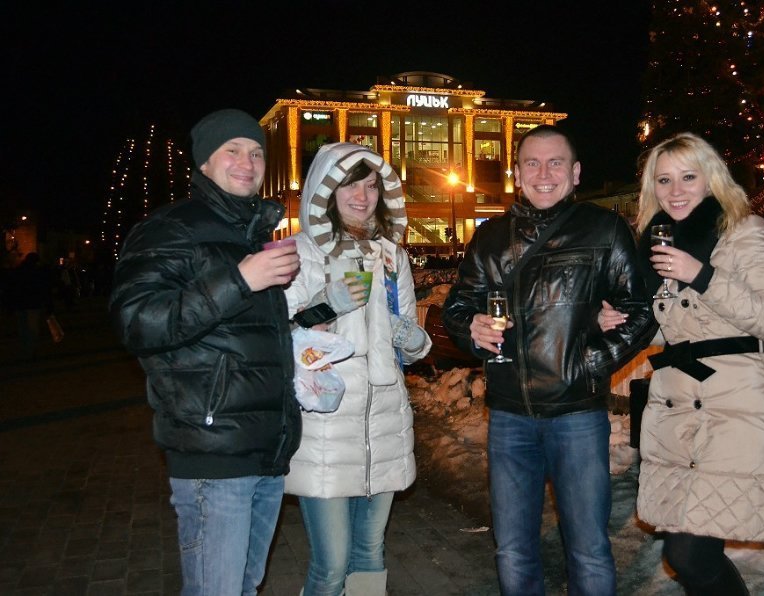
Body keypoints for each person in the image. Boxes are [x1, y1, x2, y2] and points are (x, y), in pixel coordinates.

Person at [441, 124, 656, 595]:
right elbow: (457, 306)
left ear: (575, 173)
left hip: (576, 415)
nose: (543, 174)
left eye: (555, 163)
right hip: (508, 416)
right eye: (532, 164)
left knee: (588, 548)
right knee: (512, 549)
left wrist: (588, 363)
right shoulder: (489, 237)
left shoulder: (604, 229)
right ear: (517, 174)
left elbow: (640, 312)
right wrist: (470, 327)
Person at [109, 108, 303, 596]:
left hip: (264, 448)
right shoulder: (171, 227)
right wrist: (239, 280)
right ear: (204, 163)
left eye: (256, 152)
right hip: (212, 449)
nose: (247, 162)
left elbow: (244, 337)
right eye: (231, 150)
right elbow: (137, 322)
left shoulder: (249, 233)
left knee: (244, 587)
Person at [600, 132, 764, 594]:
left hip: (733, 408)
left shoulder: (744, 230)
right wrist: (616, 319)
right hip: (678, 410)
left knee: (688, 553)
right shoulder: (658, 242)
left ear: (711, 179)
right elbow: (670, 325)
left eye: (688, 177)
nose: (676, 190)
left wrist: (701, 275)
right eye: (664, 180)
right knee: (686, 553)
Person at [283, 142, 432, 596]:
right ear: (327, 189)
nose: (363, 196)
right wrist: (325, 306)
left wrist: (411, 338)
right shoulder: (300, 252)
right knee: (331, 564)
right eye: (350, 184)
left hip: (384, 420)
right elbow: (276, 336)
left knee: (370, 552)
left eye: (371, 185)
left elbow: (411, 340)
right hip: (326, 424)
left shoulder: (392, 256)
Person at [8, 252, 54, 360]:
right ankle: (30, 351)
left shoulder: (18, 271)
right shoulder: (37, 272)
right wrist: (48, 305)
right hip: (33, 304)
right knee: (32, 330)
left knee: (23, 328)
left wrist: (10, 305)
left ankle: (25, 350)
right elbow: (44, 289)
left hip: (20, 304)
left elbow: (12, 289)